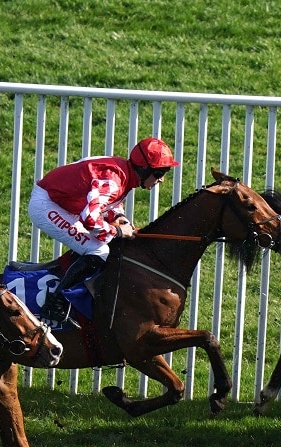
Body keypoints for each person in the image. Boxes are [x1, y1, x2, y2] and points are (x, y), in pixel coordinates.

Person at [28, 136, 178, 327]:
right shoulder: (114, 179)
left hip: (66, 204)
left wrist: (119, 218)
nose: (162, 179)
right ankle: (54, 304)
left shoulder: (124, 171)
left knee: (97, 245)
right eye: (159, 173)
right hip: (47, 205)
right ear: (143, 168)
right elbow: (90, 218)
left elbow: (108, 203)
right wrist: (118, 232)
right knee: (98, 250)